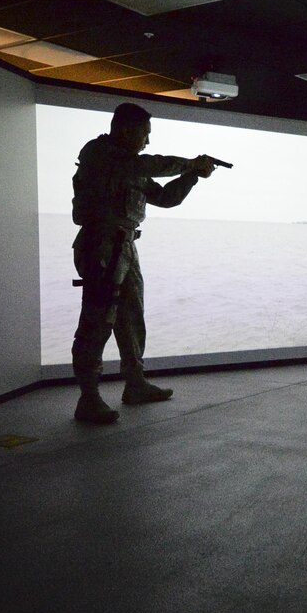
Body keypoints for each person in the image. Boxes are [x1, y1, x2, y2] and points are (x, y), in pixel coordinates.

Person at [70, 103, 218, 424]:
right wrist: (190, 163)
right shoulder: (103, 154)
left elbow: (166, 197)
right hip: (101, 246)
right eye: (144, 133)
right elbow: (150, 165)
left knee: (131, 315)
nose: (147, 141)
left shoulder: (131, 167)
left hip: (124, 246)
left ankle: (135, 383)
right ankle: (89, 397)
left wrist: (192, 175)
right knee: (98, 319)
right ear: (125, 130)